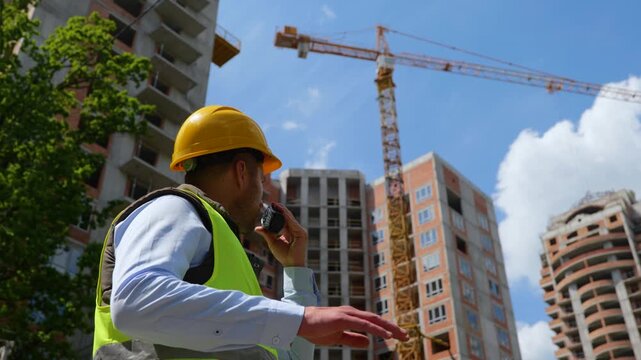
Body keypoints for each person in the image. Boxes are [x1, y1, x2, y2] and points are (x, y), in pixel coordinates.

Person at [92, 105, 408, 359]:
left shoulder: (228, 258)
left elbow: (286, 355)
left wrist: (296, 272)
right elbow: (135, 302)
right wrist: (299, 320)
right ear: (242, 171)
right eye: (262, 180)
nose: (264, 193)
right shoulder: (174, 209)